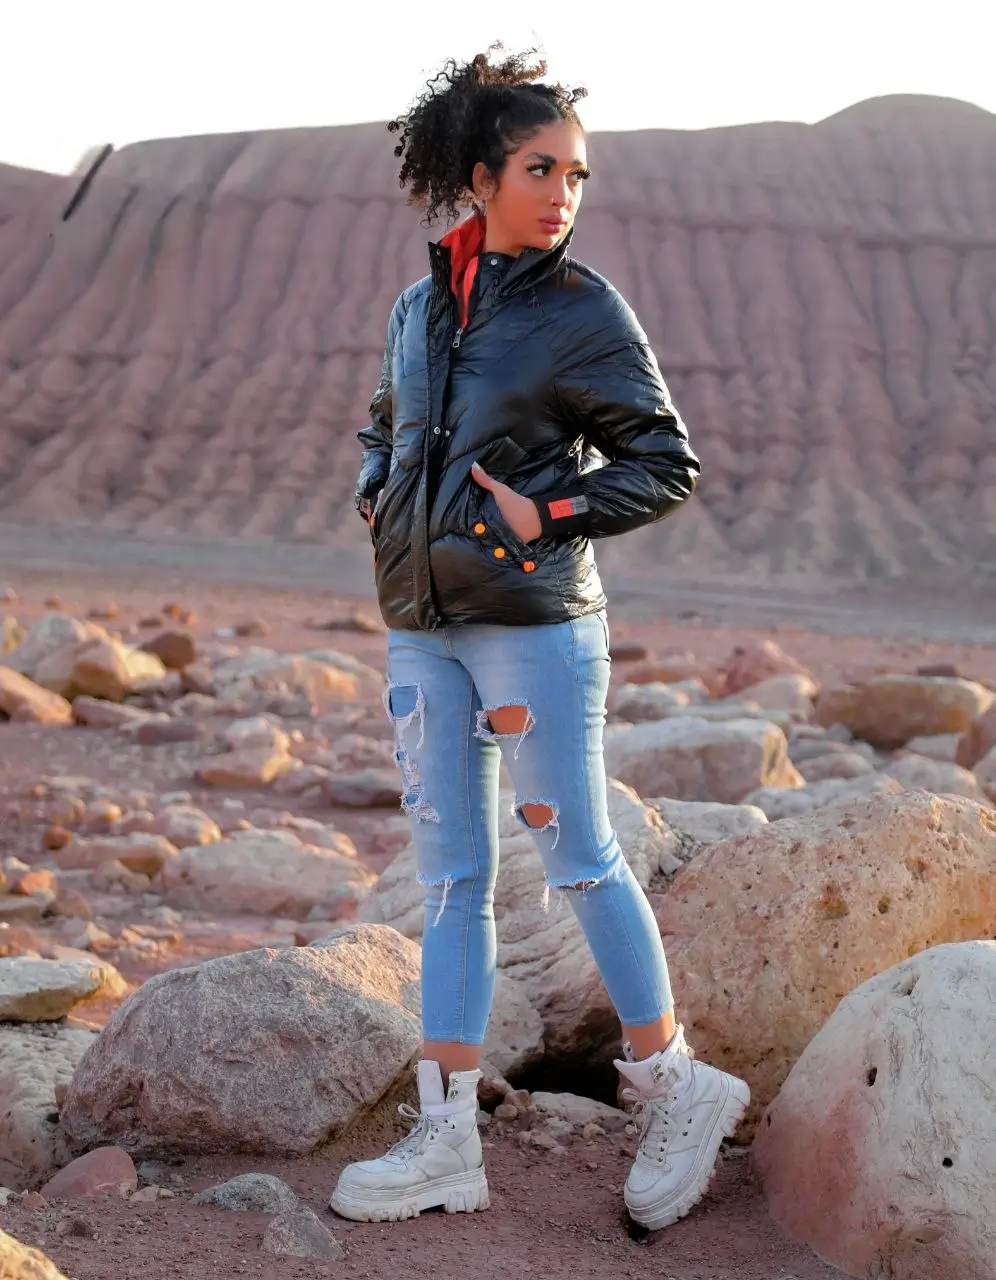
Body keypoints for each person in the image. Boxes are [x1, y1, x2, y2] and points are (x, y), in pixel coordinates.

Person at [330, 45, 749, 1232]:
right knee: (452, 879)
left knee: (579, 856)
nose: (564, 192)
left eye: (577, 173)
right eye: (540, 168)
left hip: (534, 626)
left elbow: (666, 459)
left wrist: (548, 511)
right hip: (424, 626)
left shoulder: (581, 309)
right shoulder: (419, 309)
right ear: (480, 176)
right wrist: (376, 482)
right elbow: (386, 420)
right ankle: (446, 1138)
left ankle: (675, 1082)